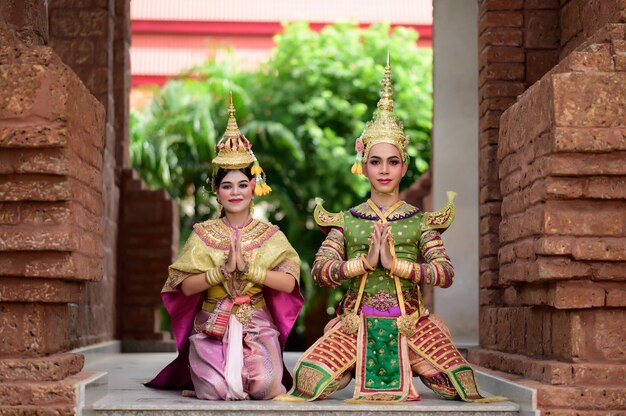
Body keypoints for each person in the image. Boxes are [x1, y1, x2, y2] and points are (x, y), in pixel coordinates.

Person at [276, 57, 500, 404]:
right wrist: (363, 263)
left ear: (404, 166)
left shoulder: (419, 220)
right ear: (363, 165)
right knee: (309, 381)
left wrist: (399, 266)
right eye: (375, 161)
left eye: (393, 162)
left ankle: (414, 366)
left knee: (460, 385)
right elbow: (320, 272)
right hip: (356, 324)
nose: (384, 170)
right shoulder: (347, 220)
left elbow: (445, 273)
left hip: (411, 324)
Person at [146, 95, 303, 400]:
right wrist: (220, 272)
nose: (235, 192)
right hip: (211, 325)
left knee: (266, 386)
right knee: (215, 390)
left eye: (242, 185)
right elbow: (185, 288)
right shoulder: (202, 234)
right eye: (227, 186)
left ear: (253, 188)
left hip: (256, 323)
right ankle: (202, 375)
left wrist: (250, 269)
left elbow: (289, 282)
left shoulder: (270, 234)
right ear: (216, 193)